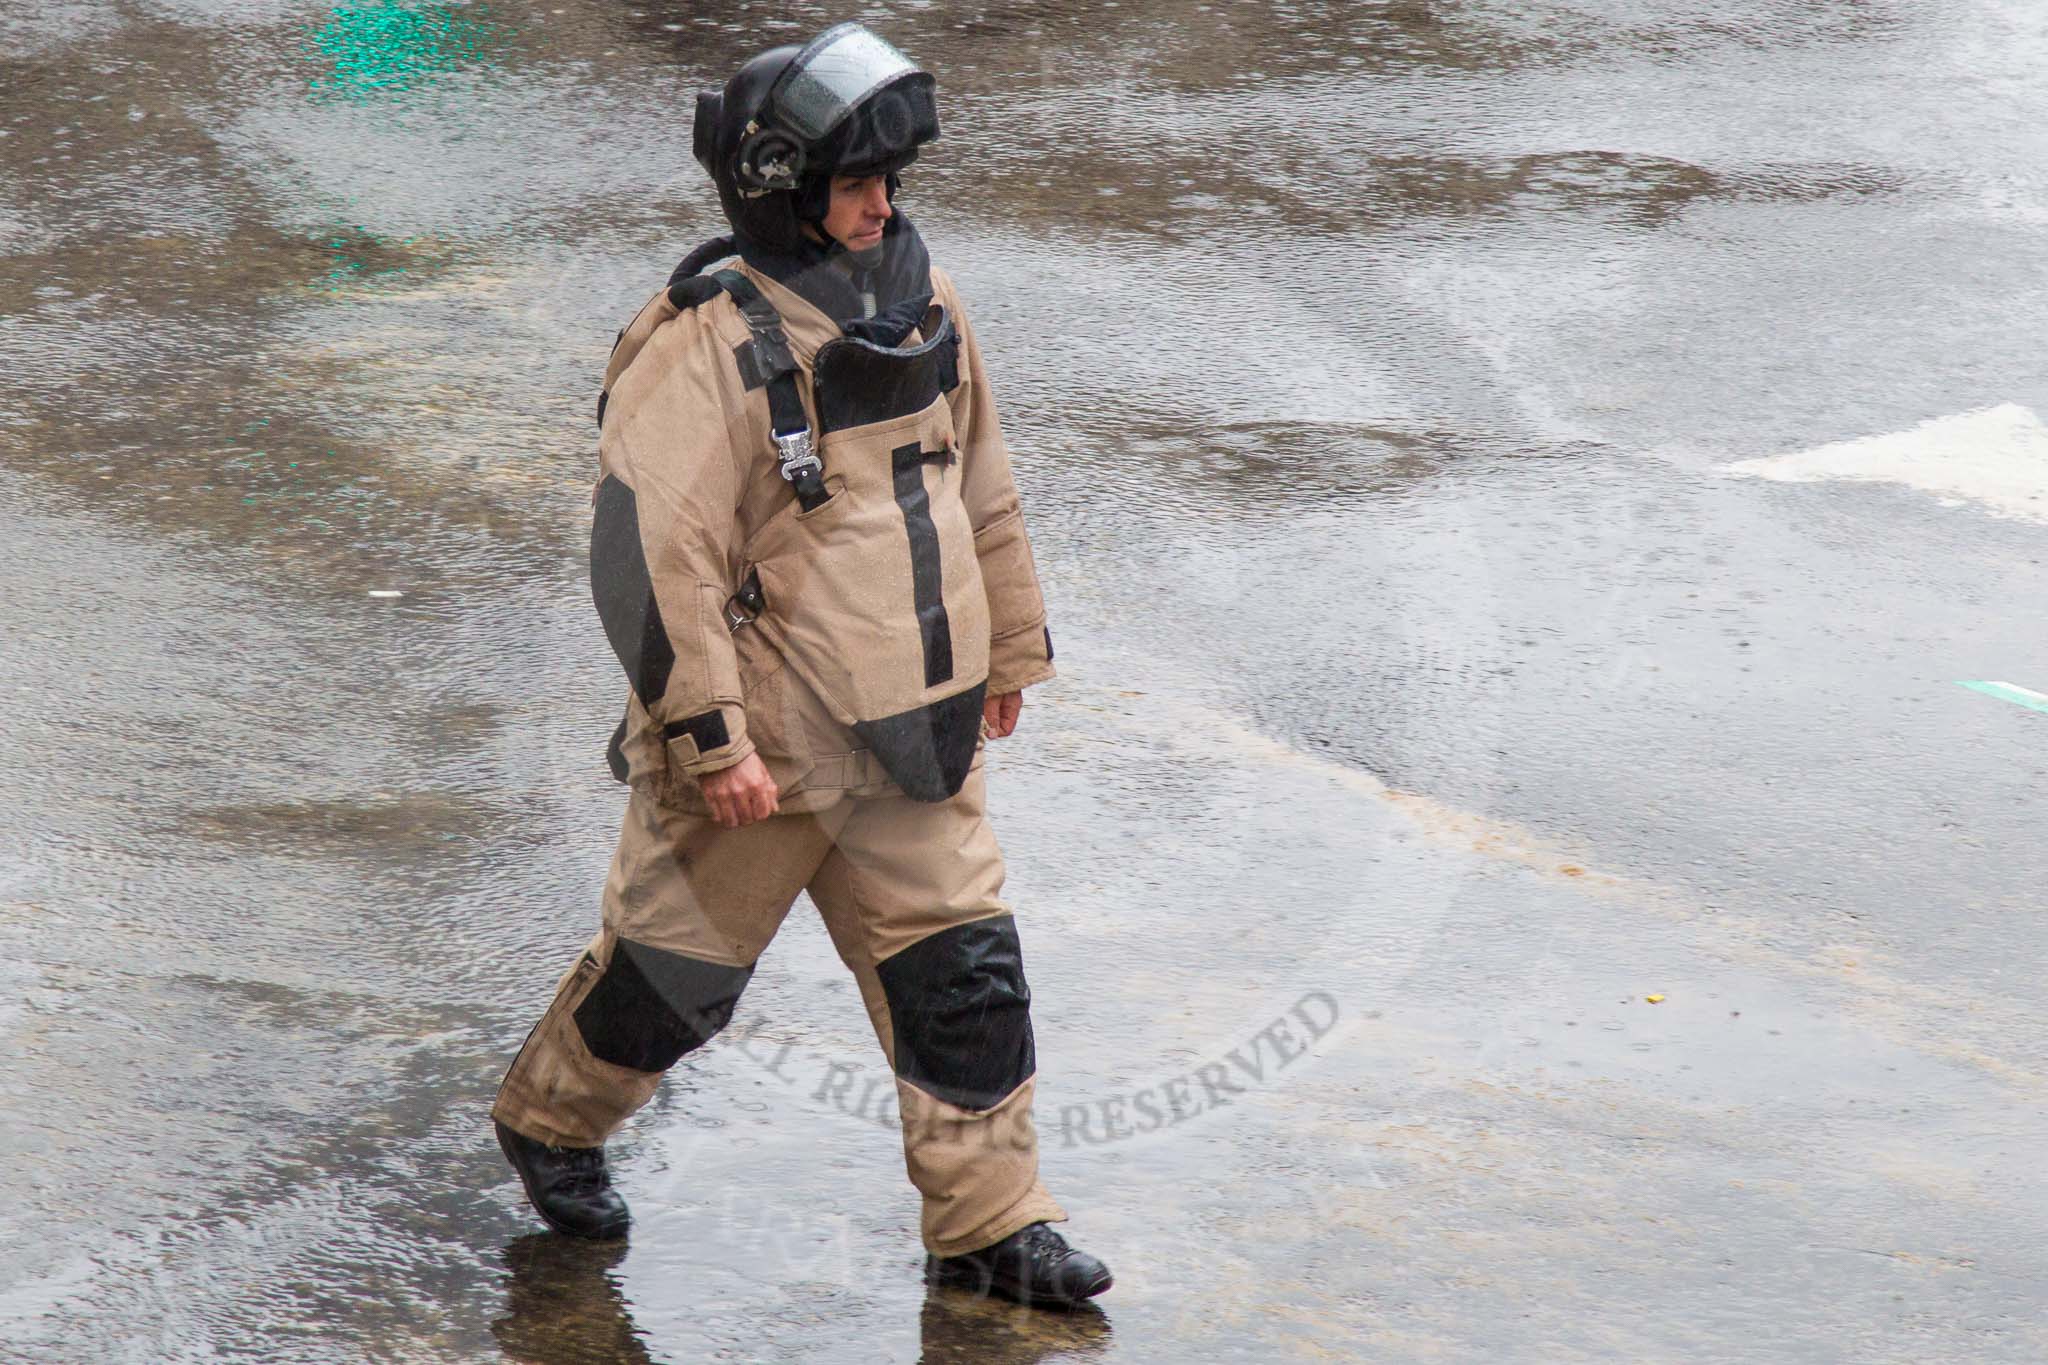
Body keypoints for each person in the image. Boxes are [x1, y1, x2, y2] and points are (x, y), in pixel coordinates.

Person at [489, 22, 1112, 1309]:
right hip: (763, 758)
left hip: (914, 739)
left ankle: (991, 1225)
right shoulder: (698, 346)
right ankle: (551, 1122)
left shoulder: (925, 299)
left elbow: (980, 487)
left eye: (890, 182)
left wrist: (1007, 648)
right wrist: (708, 737)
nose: (884, 206)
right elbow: (647, 558)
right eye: (855, 186)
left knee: (968, 989)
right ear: (777, 187)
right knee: (668, 993)